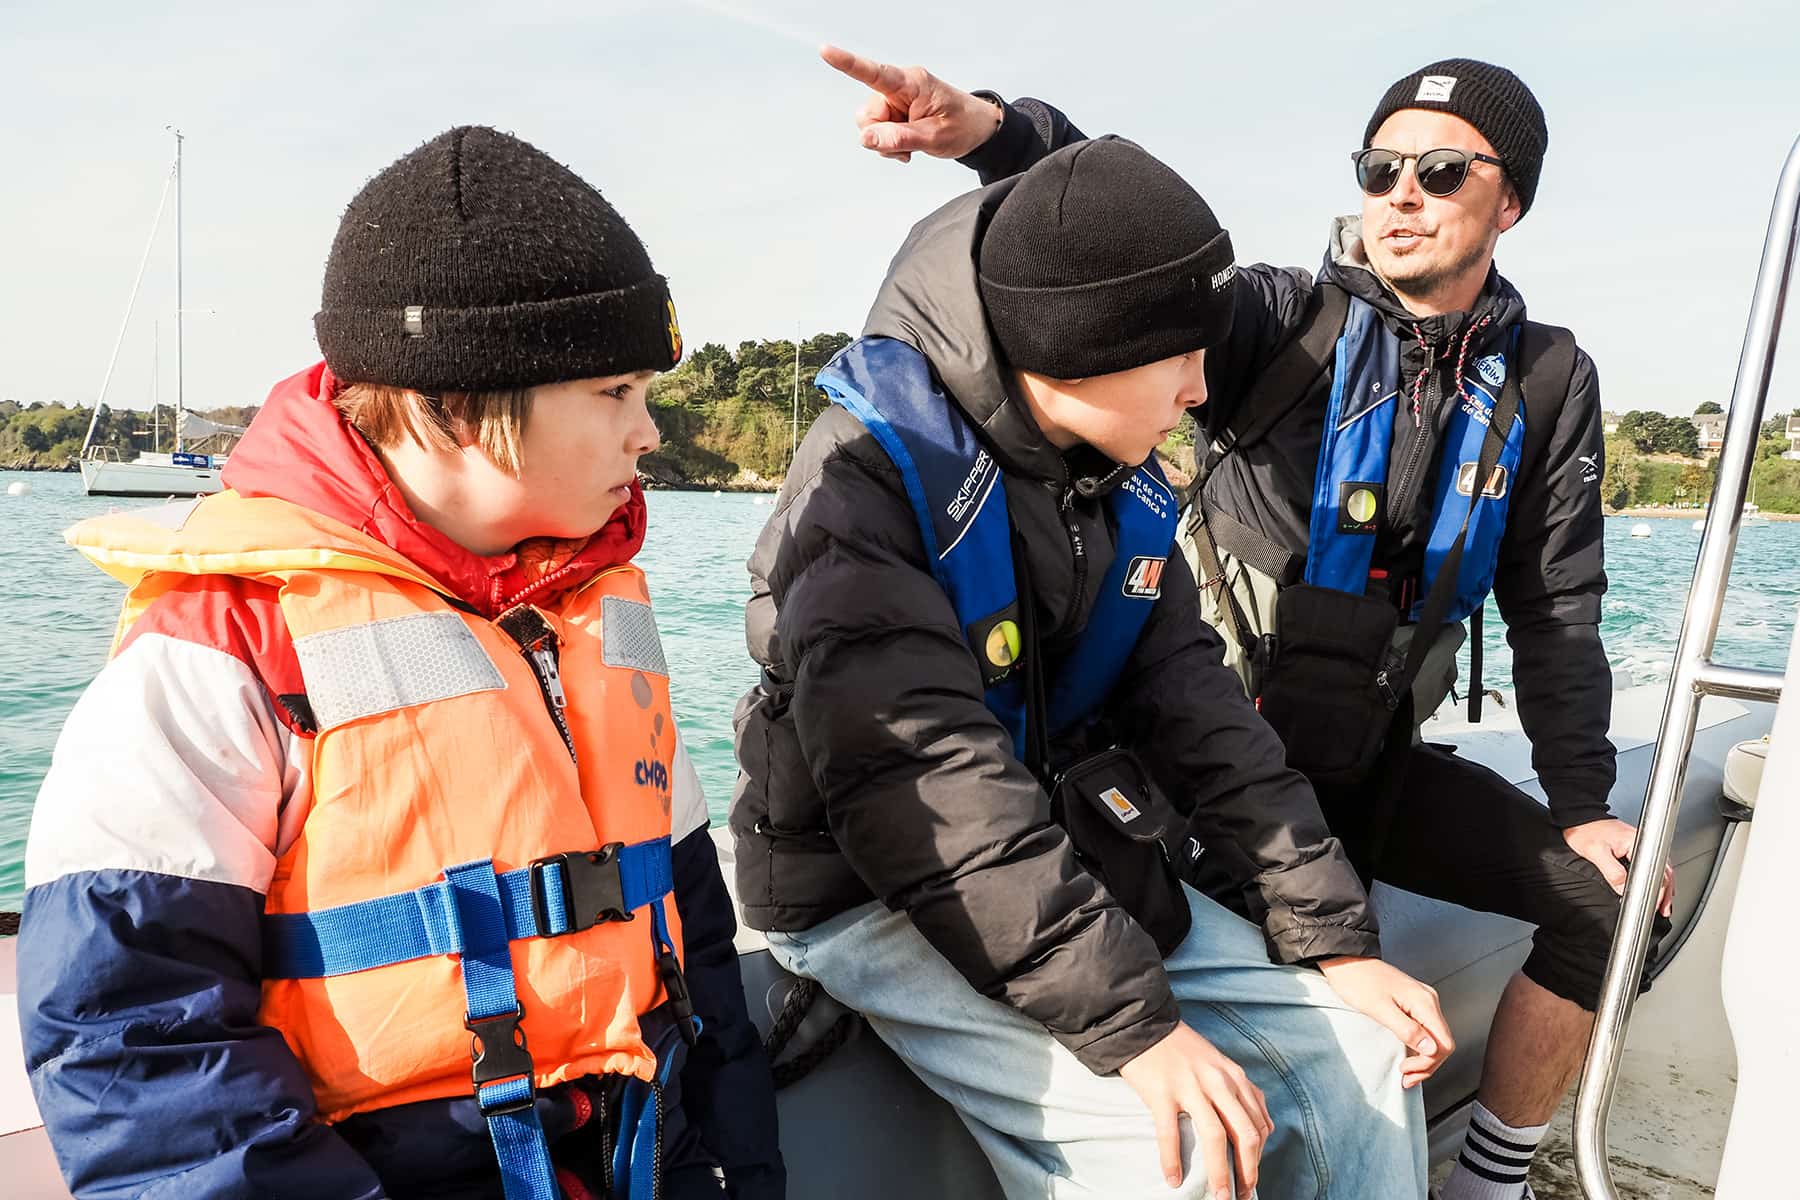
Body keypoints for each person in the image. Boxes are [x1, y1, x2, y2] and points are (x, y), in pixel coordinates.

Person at [821, 45, 1679, 1200]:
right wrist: (993, 135)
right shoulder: (1276, 321)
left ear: (1510, 201)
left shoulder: (1546, 380)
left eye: (1439, 171)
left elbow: (1557, 603)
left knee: (1607, 911)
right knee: (1272, 1059)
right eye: (1379, 168)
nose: (1401, 195)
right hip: (1207, 777)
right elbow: (1119, 241)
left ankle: (1486, 1184)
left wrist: (1582, 804)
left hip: (1372, 765)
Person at [19, 126, 783, 1200]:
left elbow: (694, 944)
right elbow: (131, 1039)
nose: (647, 433)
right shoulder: (223, 643)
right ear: (451, 403)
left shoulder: (598, 618)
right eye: (616, 392)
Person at [731, 134, 1449, 1199]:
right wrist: (1136, 1029)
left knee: (1367, 1053)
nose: (1200, 389)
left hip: (1060, 848)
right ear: (1079, 348)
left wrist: (1332, 936)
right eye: (1179, 355)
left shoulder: (1116, 481)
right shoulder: (865, 484)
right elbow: (925, 783)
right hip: (871, 883)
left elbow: (1202, 712)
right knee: (1178, 1154)